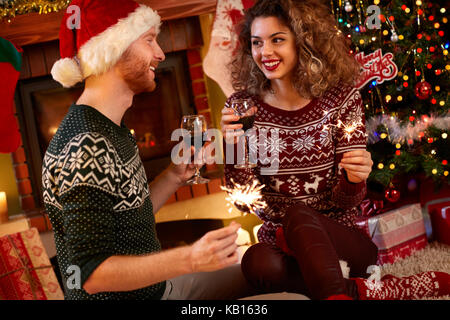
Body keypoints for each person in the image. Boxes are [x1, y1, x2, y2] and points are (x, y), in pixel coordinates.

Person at [221, 0, 450, 300]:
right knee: (256, 264)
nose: (265, 52)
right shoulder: (241, 106)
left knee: (298, 216)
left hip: (345, 243)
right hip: (281, 245)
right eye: (256, 42)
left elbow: (347, 201)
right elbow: (243, 202)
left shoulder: (340, 98)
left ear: (304, 42)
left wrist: (354, 180)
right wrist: (234, 149)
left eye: (277, 39)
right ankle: (367, 290)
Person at [42, 0, 257, 300]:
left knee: (264, 270)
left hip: (158, 291)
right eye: (149, 41)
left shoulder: (111, 128)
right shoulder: (85, 145)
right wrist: (192, 257)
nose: (160, 53)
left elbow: (129, 219)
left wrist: (173, 176)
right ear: (113, 49)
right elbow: (90, 273)